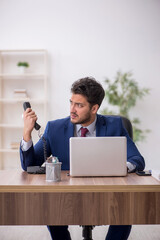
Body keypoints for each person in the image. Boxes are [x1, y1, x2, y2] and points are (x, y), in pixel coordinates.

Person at [20, 77, 145, 240]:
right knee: (50, 207)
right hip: (66, 196)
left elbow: (137, 159)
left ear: (94, 108)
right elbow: (29, 164)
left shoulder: (115, 125)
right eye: (71, 102)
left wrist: (121, 168)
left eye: (79, 105)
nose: (72, 109)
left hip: (107, 194)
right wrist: (27, 133)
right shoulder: (54, 128)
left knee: (125, 211)